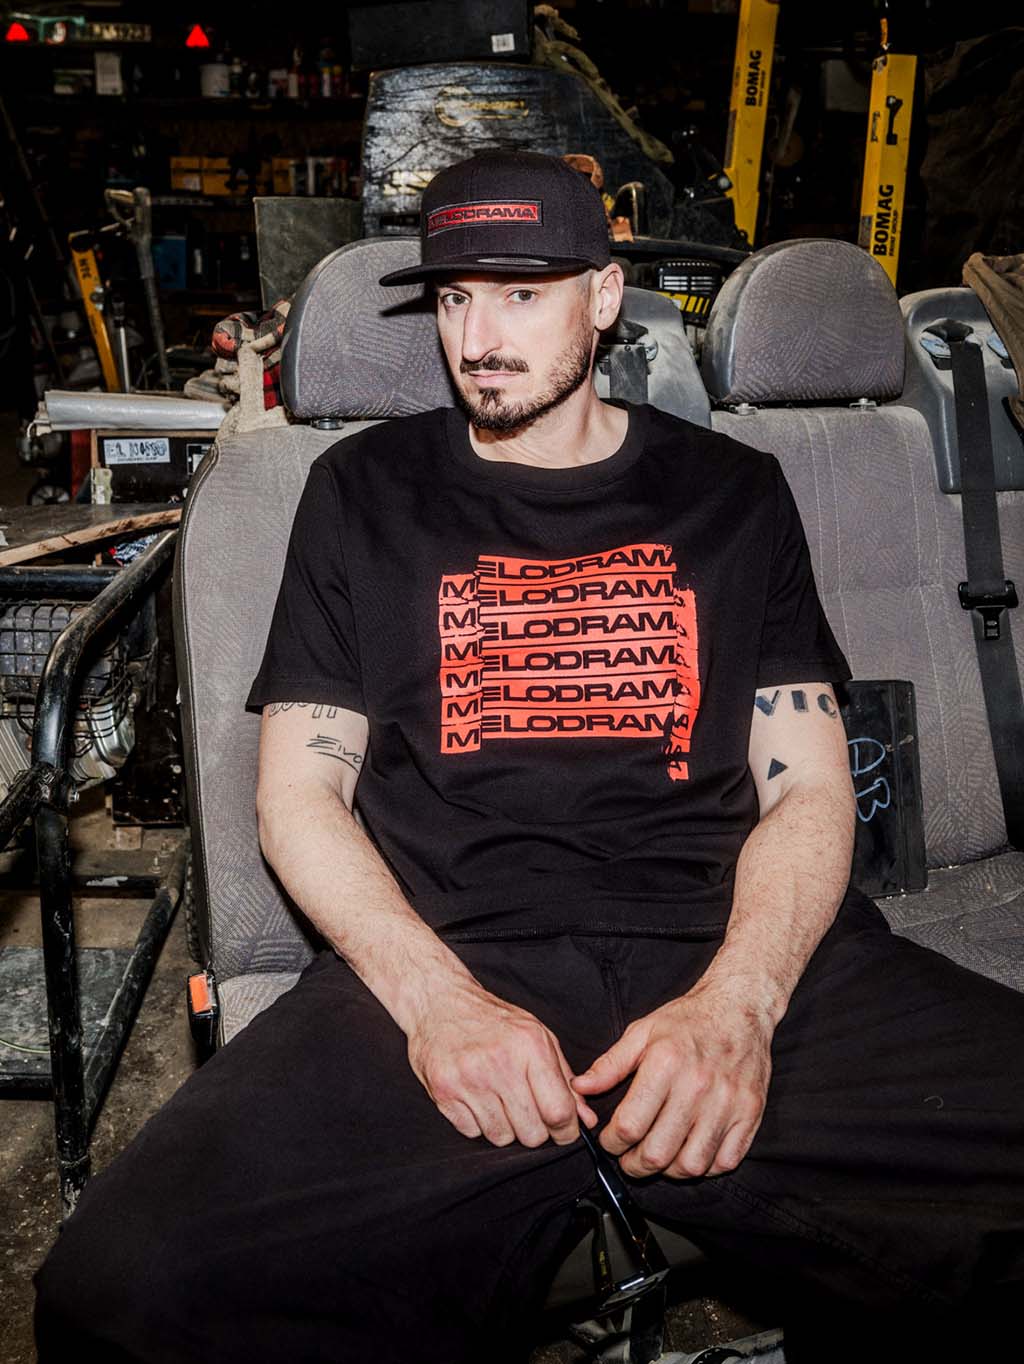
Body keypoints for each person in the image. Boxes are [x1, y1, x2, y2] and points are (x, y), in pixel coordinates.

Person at [35, 150, 1024, 1364]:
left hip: (720, 944)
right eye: (455, 298)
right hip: (455, 951)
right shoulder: (359, 492)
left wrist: (738, 1005)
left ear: (603, 298)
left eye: (519, 293)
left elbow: (810, 784)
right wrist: (437, 1002)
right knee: (117, 1290)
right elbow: (300, 791)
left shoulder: (732, 493)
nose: (477, 338)